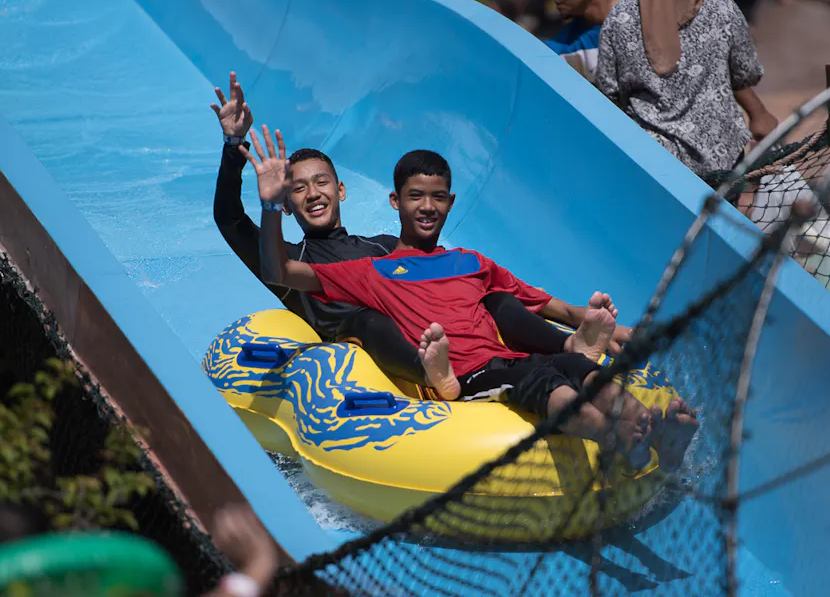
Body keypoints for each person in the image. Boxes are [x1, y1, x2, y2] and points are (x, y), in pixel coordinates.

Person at [243, 133, 698, 469]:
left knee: (578, 367)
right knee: (545, 383)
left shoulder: (469, 261)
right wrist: (269, 206)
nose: (427, 207)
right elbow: (279, 272)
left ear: (451, 202)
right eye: (416, 197)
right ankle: (617, 441)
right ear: (395, 202)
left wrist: (594, 321)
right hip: (472, 374)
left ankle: (651, 429)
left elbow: (536, 300)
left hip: (510, 356)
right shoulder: (373, 269)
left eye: (438, 198)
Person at [211, 74, 630, 386]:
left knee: (490, 296)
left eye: (321, 182)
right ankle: (434, 373)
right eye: (298, 188)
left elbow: (465, 281)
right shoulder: (287, 260)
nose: (313, 194)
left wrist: (575, 314)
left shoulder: (383, 247)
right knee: (366, 319)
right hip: (392, 356)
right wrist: (233, 149)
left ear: (341, 190)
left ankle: (564, 348)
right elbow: (230, 219)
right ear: (286, 203)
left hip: (439, 338)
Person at [596, 0, 778, 175]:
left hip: (653, 164)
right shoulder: (721, 8)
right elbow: (747, 73)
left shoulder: (620, 17)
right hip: (720, 159)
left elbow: (607, 90)